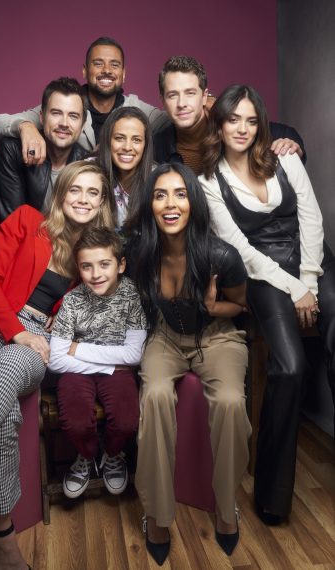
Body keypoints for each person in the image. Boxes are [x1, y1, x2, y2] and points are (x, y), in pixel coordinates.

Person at [0, 161, 114, 570]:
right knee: (3, 416)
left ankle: (2, 539)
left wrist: (41, 336)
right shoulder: (27, 221)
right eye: (74, 189)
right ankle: (4, 540)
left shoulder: (92, 260)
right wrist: (18, 331)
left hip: (34, 342)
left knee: (12, 371)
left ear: (102, 203)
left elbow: (90, 324)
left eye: (92, 192)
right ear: (61, 194)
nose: (82, 198)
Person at [199, 84, 335, 526]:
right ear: (218, 122)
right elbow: (239, 247)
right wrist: (294, 289)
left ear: (261, 124)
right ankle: (273, 496)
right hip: (262, 273)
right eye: (233, 119)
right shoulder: (207, 180)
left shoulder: (285, 157)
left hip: (313, 262)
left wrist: (310, 279)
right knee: (290, 366)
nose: (241, 128)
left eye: (250, 120)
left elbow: (311, 218)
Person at [126, 162, 252, 564]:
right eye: (160, 195)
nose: (170, 204)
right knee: (156, 396)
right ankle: (157, 514)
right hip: (166, 336)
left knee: (232, 402)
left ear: (193, 202)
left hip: (217, 336)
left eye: (180, 194)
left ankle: (226, 506)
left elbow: (244, 304)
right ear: (150, 205)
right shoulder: (140, 251)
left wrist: (216, 305)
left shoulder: (221, 254)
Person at [48, 227, 147, 498]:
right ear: (78, 269)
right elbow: (56, 360)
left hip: (108, 372)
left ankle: (113, 454)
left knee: (127, 420)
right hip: (75, 373)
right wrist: (110, 363)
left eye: (104, 264)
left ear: (121, 264)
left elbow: (134, 356)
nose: (96, 274)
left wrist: (77, 348)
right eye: (86, 267)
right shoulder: (72, 301)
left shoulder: (131, 296)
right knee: (77, 422)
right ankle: (86, 455)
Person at [0, 37, 168, 162]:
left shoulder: (137, 110)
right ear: (84, 71)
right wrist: (25, 127)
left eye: (114, 65)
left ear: (123, 74)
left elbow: (177, 122)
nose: (106, 70)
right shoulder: (68, 103)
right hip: (72, 201)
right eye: (98, 63)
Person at [154, 55, 306, 175]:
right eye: (173, 95)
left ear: (204, 96)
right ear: (163, 100)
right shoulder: (158, 145)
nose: (182, 103)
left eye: (190, 93)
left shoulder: (228, 124)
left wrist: (293, 144)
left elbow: (282, 132)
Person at [0, 77, 89, 219]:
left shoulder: (88, 163)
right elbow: (14, 224)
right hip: (23, 238)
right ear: (42, 117)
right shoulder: (13, 151)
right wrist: (25, 126)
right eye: (56, 113)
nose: (64, 123)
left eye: (73, 116)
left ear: (82, 125)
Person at [97, 106, 154, 228]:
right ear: (108, 140)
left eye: (136, 140)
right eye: (119, 138)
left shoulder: (158, 178)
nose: (127, 147)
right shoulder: (89, 172)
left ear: (145, 144)